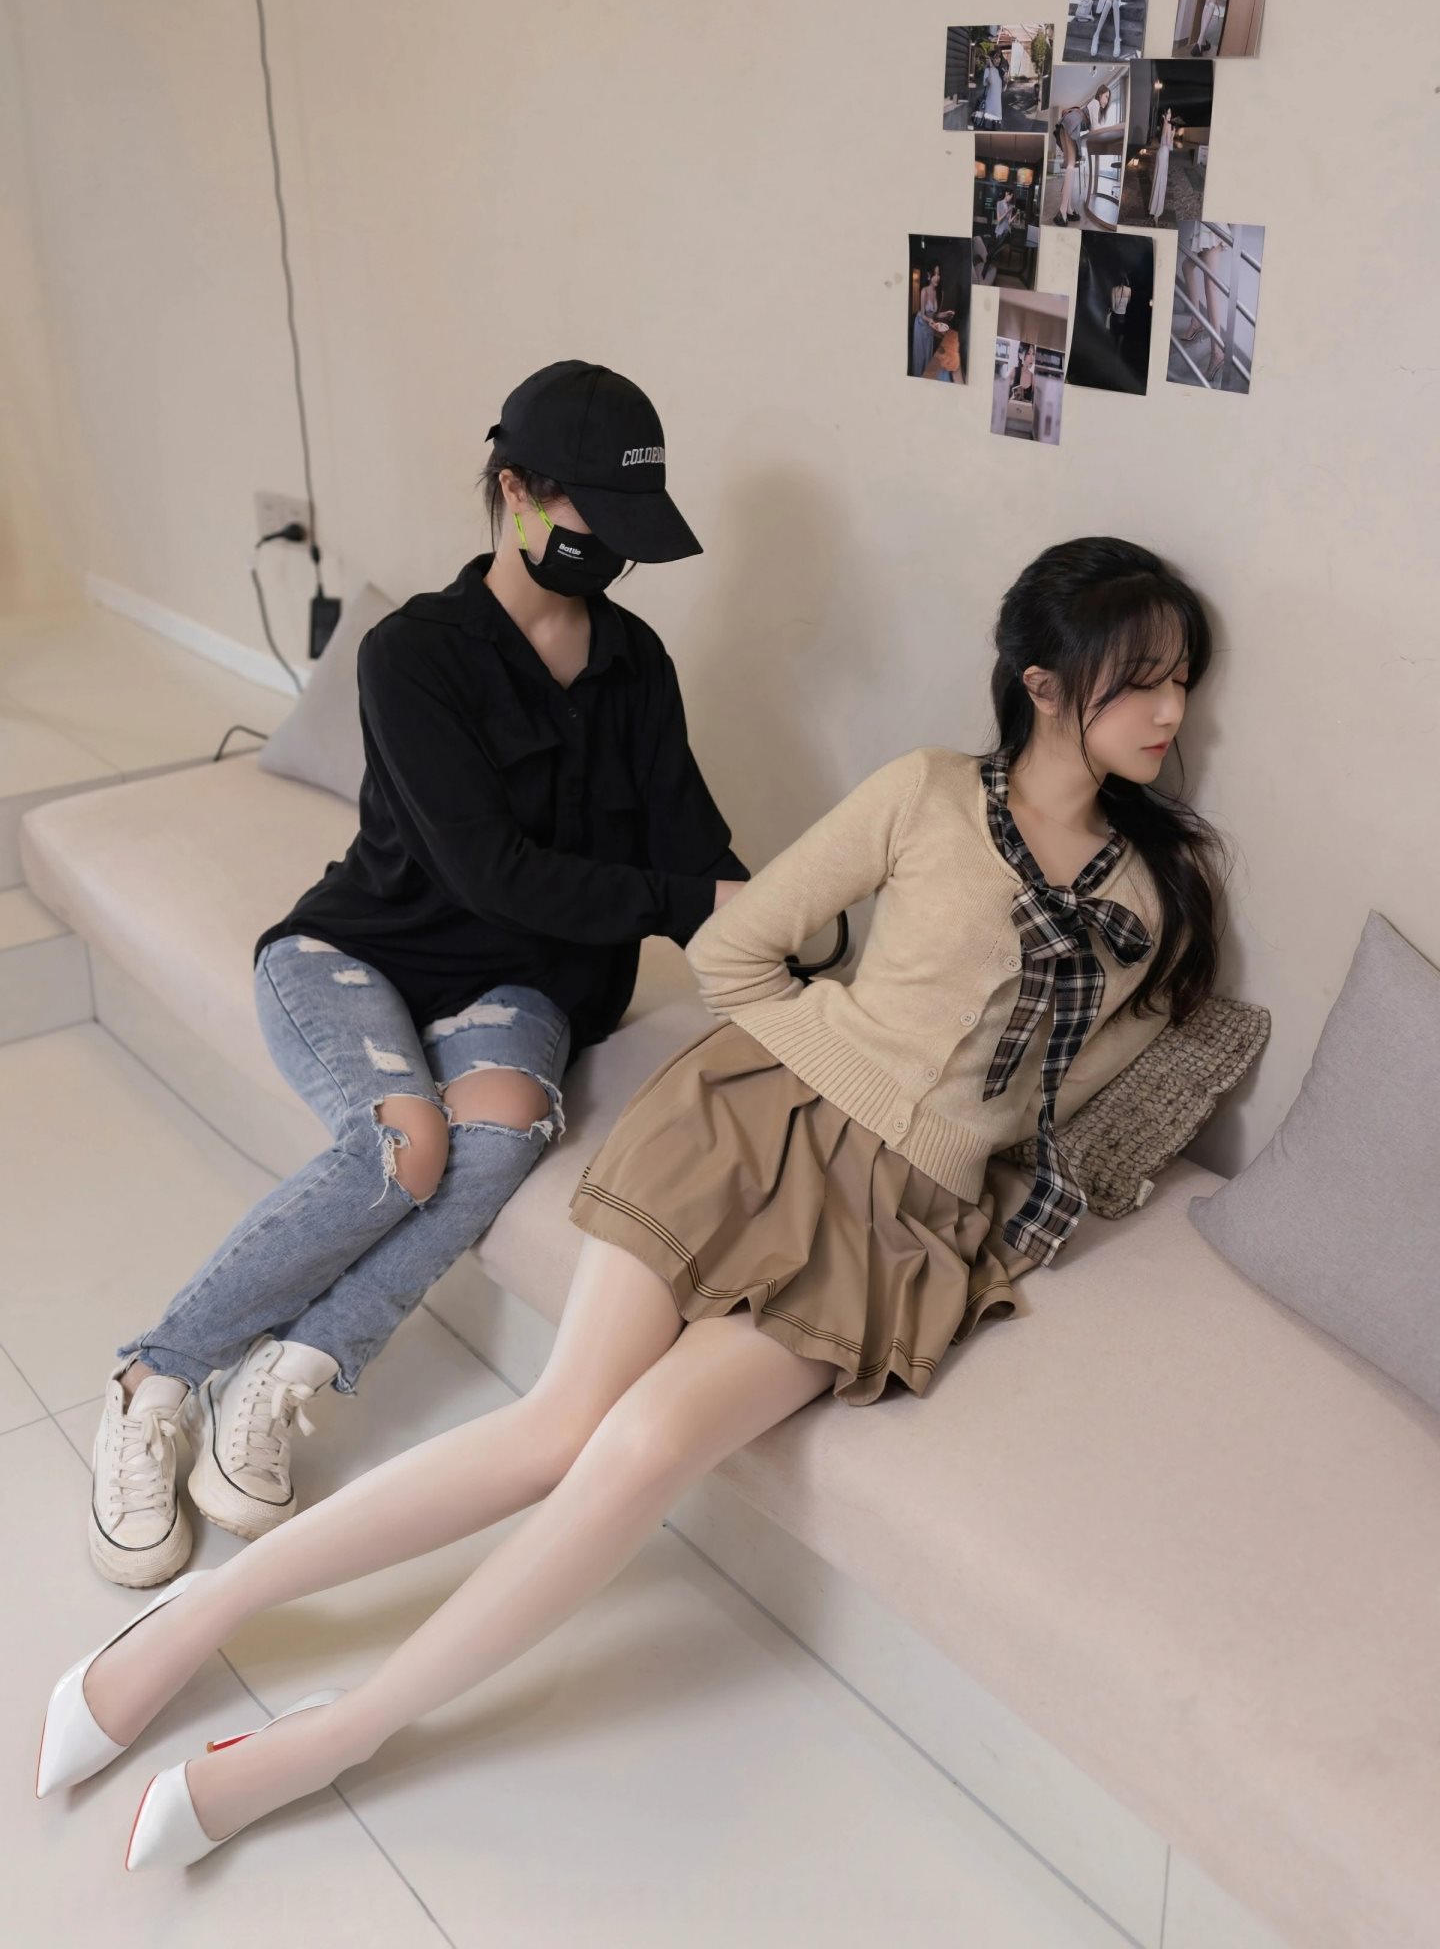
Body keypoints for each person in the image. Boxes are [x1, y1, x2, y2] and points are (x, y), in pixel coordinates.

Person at [39, 536, 1232, 1868]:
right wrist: (831, 1062)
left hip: (897, 1222)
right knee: (559, 1425)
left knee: (646, 1447)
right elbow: (738, 950)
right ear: (1045, 686)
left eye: (1182, 680)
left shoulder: (1154, 898)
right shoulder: (926, 792)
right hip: (750, 1117)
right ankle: (201, 1617)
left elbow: (1065, 1110)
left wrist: (990, 1169)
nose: (1172, 712)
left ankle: (337, 1736)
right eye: (1142, 681)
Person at [84, 360, 749, 1589]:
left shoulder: (636, 663)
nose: (618, 556)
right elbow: (493, 873)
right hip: (360, 951)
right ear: (518, 492)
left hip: (526, 987)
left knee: (492, 1145)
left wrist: (796, 918)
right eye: (599, 519)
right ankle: (153, 1377)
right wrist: (692, 903)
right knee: (406, 1147)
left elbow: (692, 844)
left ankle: (284, 1373)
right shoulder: (413, 655)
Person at [1175, 222, 1230, 382]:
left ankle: (1217, 351)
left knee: (1210, 287)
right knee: (1186, 266)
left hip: (1212, 228)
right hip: (1204, 227)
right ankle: (1196, 321)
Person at [1148, 108, 1174, 223]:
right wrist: (1173, 135)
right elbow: (1168, 144)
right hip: (1164, 153)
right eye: (1168, 113)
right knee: (1161, 180)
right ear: (1164, 115)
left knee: (1157, 179)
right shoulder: (1168, 125)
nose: (1170, 115)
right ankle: (1156, 213)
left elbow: (1161, 142)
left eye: (1171, 113)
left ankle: (1153, 208)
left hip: (1160, 153)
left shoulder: (1162, 125)